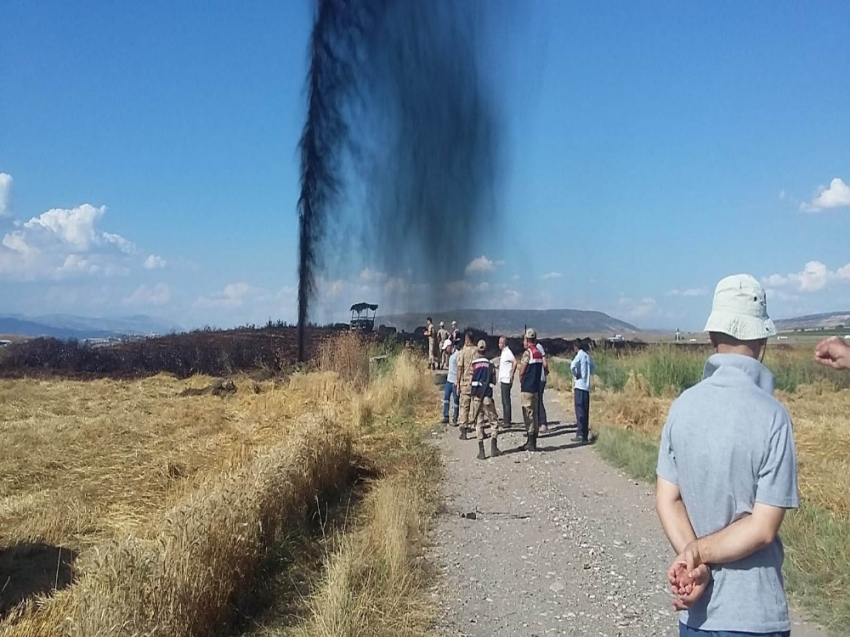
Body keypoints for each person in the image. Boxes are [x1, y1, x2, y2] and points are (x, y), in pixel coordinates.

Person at [655, 274, 799, 636]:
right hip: (756, 615)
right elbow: (763, 528)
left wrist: (692, 557)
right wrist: (698, 555)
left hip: (696, 618)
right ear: (763, 338)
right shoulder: (773, 416)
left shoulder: (680, 407)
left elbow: (667, 499)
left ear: (710, 336)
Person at [470, 340, 501, 459]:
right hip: (487, 397)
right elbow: (493, 381)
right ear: (486, 350)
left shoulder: (474, 364)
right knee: (493, 421)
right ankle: (494, 448)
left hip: (477, 398)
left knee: (479, 423)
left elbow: (471, 380)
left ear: (478, 350)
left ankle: (481, 451)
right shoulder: (490, 364)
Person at [517, 328, 544, 452]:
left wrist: (521, 380)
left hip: (527, 387)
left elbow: (522, 371)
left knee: (528, 414)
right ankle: (532, 440)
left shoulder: (528, 353)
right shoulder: (538, 352)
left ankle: (531, 441)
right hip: (536, 387)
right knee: (535, 413)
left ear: (527, 339)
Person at [570, 340, 594, 444]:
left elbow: (572, 366)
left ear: (576, 347)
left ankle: (580, 433)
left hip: (579, 386)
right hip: (586, 387)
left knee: (579, 411)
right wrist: (588, 375)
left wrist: (576, 374)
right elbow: (593, 368)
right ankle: (585, 434)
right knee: (585, 411)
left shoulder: (579, 355)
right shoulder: (587, 356)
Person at [455, 331, 477, 440]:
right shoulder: (477, 351)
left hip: (466, 382)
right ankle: (478, 426)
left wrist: (458, 383)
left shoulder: (463, 352)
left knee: (465, 406)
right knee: (476, 405)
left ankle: (464, 429)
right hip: (477, 382)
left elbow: (460, 368)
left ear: (467, 340)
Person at [442, 339, 460, 425]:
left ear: (449, 347)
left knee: (456, 400)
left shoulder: (457, 354)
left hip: (455, 381)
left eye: (446, 348)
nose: (445, 350)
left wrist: (458, 380)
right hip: (449, 380)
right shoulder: (450, 355)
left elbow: (460, 368)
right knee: (446, 398)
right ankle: (446, 416)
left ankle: (455, 418)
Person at [536, 340, 549, 432]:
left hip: (539, 378)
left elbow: (544, 363)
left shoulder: (538, 347)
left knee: (539, 400)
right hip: (539, 378)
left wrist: (546, 370)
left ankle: (543, 422)